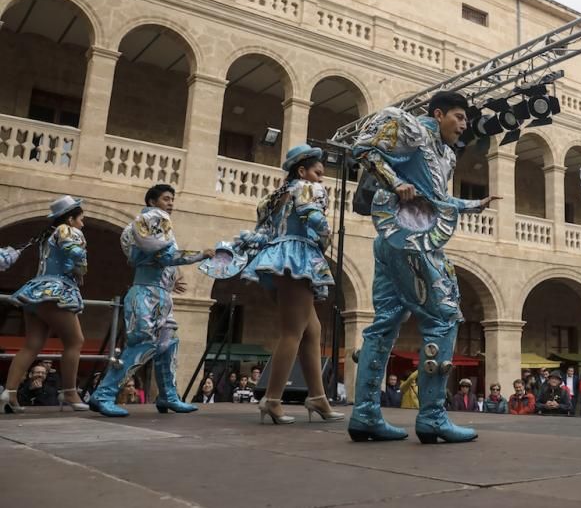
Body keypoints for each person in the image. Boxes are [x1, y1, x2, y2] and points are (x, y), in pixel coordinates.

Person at [347, 92, 499, 444]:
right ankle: (432, 417)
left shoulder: (444, 152)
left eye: (466, 119)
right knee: (443, 318)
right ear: (439, 113)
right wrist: (394, 182)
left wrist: (474, 204)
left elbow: (437, 200)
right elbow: (364, 150)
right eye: (459, 117)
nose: (463, 125)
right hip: (414, 242)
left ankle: (365, 414)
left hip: (393, 241)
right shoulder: (414, 131)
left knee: (385, 322)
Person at [239, 147, 343, 425]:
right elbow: (315, 218)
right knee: (292, 333)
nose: (321, 179)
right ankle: (272, 399)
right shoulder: (305, 188)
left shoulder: (276, 196)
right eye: (318, 173)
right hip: (296, 256)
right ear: (302, 171)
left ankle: (318, 397)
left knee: (312, 330)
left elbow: (264, 231)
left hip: (280, 255)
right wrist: (326, 236)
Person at [89, 185, 214, 418]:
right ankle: (104, 394)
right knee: (142, 344)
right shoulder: (154, 220)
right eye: (166, 199)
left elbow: (155, 261)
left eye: (172, 199)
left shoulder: (150, 224)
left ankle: (167, 395)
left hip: (158, 294)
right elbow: (165, 256)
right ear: (152, 201)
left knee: (169, 343)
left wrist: (169, 281)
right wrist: (200, 255)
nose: (171, 203)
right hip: (146, 295)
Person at [1, 196, 89, 414]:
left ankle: (9, 393)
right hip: (55, 291)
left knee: (32, 344)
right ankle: (69, 392)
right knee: (75, 341)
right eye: (81, 219)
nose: (82, 224)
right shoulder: (67, 230)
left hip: (34, 292)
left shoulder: (47, 235)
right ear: (70, 219)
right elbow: (75, 254)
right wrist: (80, 262)